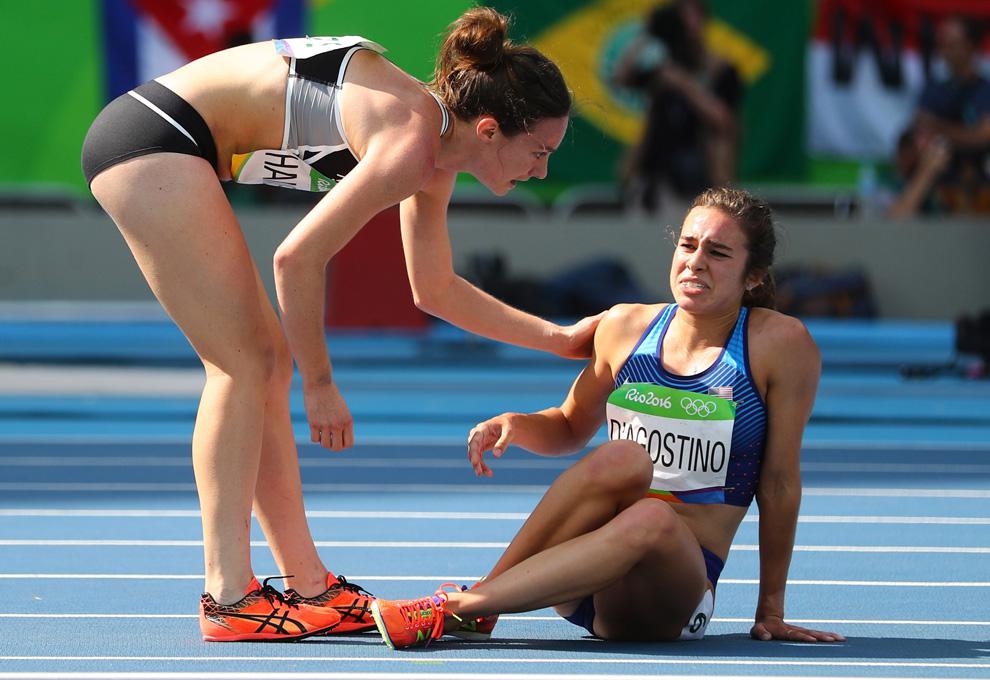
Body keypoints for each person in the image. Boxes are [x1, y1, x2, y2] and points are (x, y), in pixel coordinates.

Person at [81, 8, 602, 642]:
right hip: (151, 139)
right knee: (244, 365)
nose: (542, 171)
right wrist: (321, 383)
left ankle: (310, 586)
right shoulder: (411, 140)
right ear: (490, 130)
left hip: (165, 142)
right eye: (540, 152)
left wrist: (559, 339)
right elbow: (296, 259)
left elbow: (434, 289)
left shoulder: (435, 151)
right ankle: (227, 596)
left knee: (262, 364)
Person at [369, 187, 845, 648]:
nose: (696, 261)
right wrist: (517, 423)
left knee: (653, 516)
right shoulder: (624, 326)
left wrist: (771, 610)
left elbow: (779, 483)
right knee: (621, 458)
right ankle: (480, 603)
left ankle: (459, 607)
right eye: (687, 245)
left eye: (718, 253)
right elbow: (569, 427)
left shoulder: (779, 345)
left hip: (670, 592)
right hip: (583, 581)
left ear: (754, 276)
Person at [613, 0, 742, 213]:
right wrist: (648, 34)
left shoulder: (719, 70)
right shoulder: (662, 69)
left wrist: (683, 84)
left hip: (700, 176)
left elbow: (723, 120)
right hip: (655, 175)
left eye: (691, 18)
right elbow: (620, 78)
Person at [912, 15, 990, 214]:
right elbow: (921, 133)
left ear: (970, 46)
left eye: (951, 45)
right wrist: (966, 134)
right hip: (940, 187)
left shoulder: (985, 90)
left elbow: (984, 135)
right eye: (942, 45)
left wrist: (939, 128)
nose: (944, 52)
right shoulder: (934, 90)